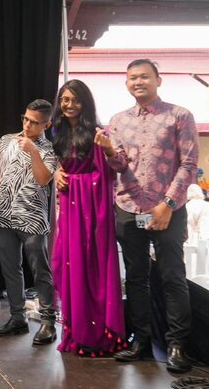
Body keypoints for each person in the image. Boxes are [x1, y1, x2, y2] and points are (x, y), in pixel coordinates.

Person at [107, 58, 198, 374]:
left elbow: (189, 165)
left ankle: (177, 345)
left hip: (167, 211)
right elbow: (118, 165)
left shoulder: (179, 115)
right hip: (128, 209)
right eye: (132, 78)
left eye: (144, 76)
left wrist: (168, 204)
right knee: (135, 278)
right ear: (127, 83)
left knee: (172, 276)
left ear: (158, 79)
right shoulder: (117, 120)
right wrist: (107, 150)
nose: (138, 82)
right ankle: (140, 341)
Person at [50, 80, 125, 356]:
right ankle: (75, 330)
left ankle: (97, 333)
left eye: (76, 100)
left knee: (91, 265)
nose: (70, 105)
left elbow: (105, 175)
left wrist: (77, 180)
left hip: (92, 212)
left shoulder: (97, 133)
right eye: (65, 100)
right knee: (66, 263)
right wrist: (58, 173)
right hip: (69, 210)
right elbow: (59, 165)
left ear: (86, 103)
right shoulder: (57, 133)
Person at [0, 99, 58, 346]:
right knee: (11, 269)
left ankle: (48, 321)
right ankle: (18, 317)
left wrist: (33, 151)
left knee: (40, 270)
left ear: (47, 124)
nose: (28, 124)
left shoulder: (50, 149)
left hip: (32, 218)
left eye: (34, 122)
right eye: (25, 118)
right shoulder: (6, 140)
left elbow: (42, 180)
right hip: (3, 215)